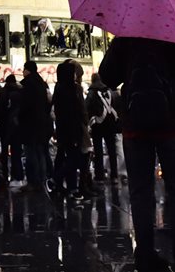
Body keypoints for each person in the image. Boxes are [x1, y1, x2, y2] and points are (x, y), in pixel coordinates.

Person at [100, 36, 175, 272]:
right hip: (171, 123)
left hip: (135, 124)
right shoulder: (172, 37)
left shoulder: (124, 38)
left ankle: (145, 255)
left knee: (140, 192)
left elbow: (108, 76)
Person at [52, 59, 90, 200]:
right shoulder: (75, 89)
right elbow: (81, 110)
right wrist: (85, 123)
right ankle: (57, 179)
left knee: (65, 157)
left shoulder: (58, 88)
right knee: (74, 159)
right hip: (74, 129)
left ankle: (70, 187)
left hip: (62, 128)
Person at [18, 61, 52, 192]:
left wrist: (20, 117)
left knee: (30, 153)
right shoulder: (42, 84)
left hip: (29, 125)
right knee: (41, 152)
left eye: (24, 69)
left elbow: (24, 106)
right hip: (41, 123)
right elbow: (48, 103)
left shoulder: (27, 85)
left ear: (28, 70)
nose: (22, 72)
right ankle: (42, 179)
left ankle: (33, 181)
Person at [86, 74, 119, 183]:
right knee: (112, 150)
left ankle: (99, 176)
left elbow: (87, 108)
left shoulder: (91, 92)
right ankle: (114, 175)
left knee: (98, 150)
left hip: (97, 125)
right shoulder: (109, 91)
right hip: (110, 124)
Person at [0, 74, 24, 182]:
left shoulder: (2, 91)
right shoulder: (20, 92)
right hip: (16, 126)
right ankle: (17, 175)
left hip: (4, 126)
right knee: (16, 152)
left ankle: (4, 174)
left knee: (4, 152)